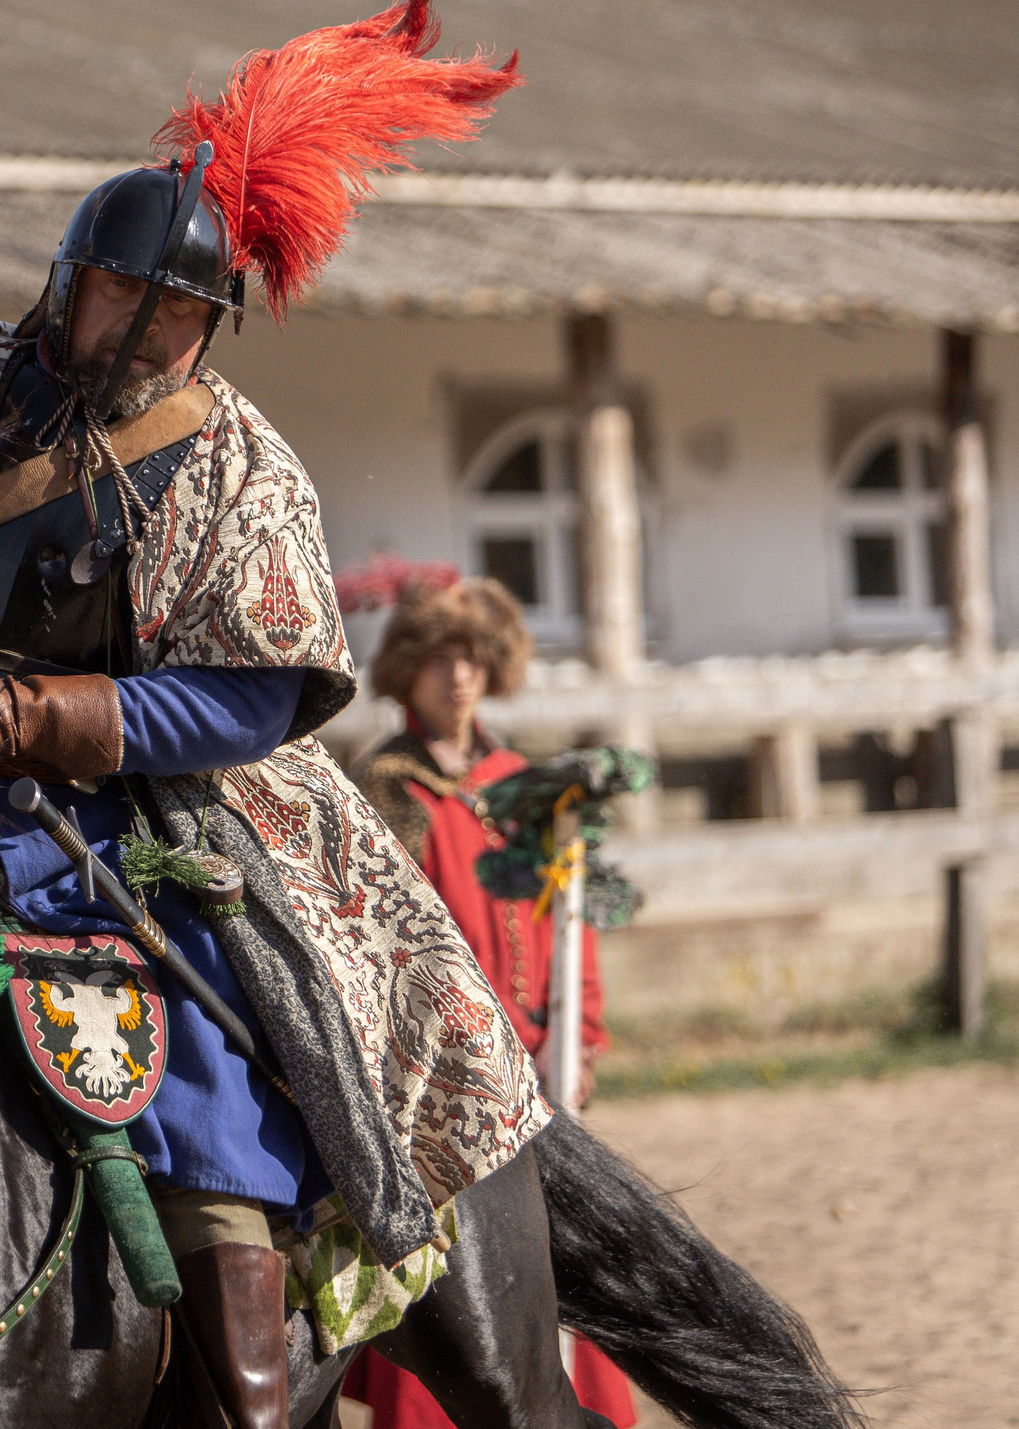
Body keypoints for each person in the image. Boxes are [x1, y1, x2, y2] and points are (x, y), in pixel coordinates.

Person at [0, 0, 550, 1429]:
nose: (148, 330)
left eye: (184, 312)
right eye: (127, 293)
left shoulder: (245, 464)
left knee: (203, 1017)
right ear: (71, 280)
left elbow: (254, 695)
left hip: (139, 813)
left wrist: (43, 716)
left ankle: (240, 1305)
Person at [346, 577, 637, 1428]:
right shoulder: (383, 792)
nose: (459, 676)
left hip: (544, 1082)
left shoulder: (533, 791)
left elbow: (569, 931)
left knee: (568, 1282)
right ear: (407, 672)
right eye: (440, 658)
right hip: (444, 1092)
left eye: (472, 657)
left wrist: (577, 1041)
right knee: (458, 1295)